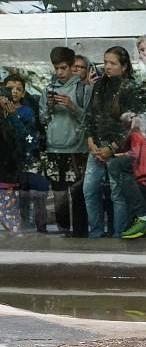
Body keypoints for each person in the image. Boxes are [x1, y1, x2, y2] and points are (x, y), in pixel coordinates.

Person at [84, 46, 146, 239]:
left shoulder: (130, 87)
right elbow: (90, 115)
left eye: (112, 63)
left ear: (124, 66)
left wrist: (112, 148)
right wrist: (90, 140)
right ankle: (96, 233)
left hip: (117, 147)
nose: (107, 67)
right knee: (90, 190)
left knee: (118, 193)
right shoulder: (100, 86)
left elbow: (132, 125)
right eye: (105, 62)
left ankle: (118, 234)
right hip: (97, 144)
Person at [44, 46, 90, 237]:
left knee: (78, 194)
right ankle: (64, 231)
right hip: (53, 147)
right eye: (56, 68)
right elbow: (42, 119)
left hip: (77, 148)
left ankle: (80, 233)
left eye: (63, 68)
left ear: (73, 67)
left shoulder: (83, 89)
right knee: (59, 195)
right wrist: (48, 107)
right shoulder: (49, 88)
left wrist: (73, 107)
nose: (60, 72)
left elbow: (89, 119)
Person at [4, 74, 45, 233]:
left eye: (18, 89)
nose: (13, 92)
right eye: (9, 89)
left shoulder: (27, 113)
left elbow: (30, 139)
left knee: (27, 197)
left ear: (23, 93)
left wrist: (14, 117)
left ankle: (32, 229)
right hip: (5, 163)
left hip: (22, 162)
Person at [0, 94, 21, 235]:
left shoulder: (10, 120)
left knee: (11, 219)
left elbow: (25, 140)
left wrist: (13, 116)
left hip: (6, 174)